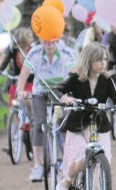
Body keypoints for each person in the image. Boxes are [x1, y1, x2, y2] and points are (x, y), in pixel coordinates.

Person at [54, 43, 116, 190]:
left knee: (103, 159)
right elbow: (57, 90)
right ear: (89, 61)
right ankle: (68, 178)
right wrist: (64, 97)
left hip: (99, 125)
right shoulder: (77, 79)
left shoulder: (107, 80)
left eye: (105, 59)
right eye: (99, 59)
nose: (103, 63)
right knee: (80, 158)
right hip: (78, 125)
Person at [16, 37, 78, 182]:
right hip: (40, 94)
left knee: (63, 124)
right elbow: (24, 74)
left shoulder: (65, 52)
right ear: (40, 41)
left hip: (60, 94)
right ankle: (38, 165)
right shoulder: (34, 53)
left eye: (51, 42)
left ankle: (66, 160)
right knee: (38, 126)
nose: (48, 45)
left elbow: (74, 73)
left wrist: (71, 93)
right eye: (45, 42)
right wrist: (20, 90)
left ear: (56, 41)